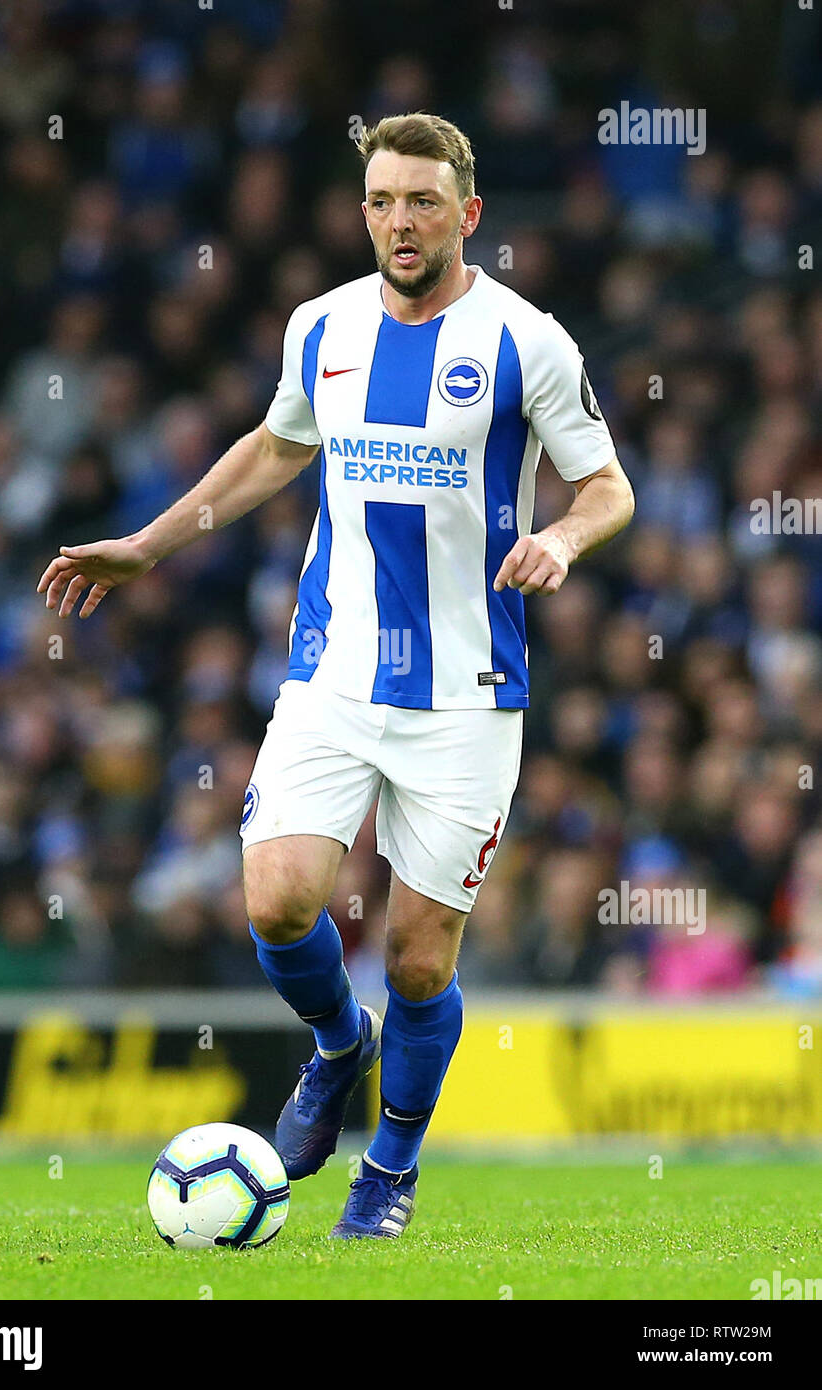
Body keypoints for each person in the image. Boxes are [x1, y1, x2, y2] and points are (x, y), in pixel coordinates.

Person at [37, 112, 635, 1238]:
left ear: (466, 213)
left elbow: (608, 486)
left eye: (419, 201)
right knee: (276, 900)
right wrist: (148, 545)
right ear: (360, 212)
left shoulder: (527, 341)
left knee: (417, 957)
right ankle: (334, 1044)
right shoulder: (322, 326)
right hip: (333, 674)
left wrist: (559, 539)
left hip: (467, 693)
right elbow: (275, 448)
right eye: (378, 201)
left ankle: (392, 1165)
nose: (397, 222)